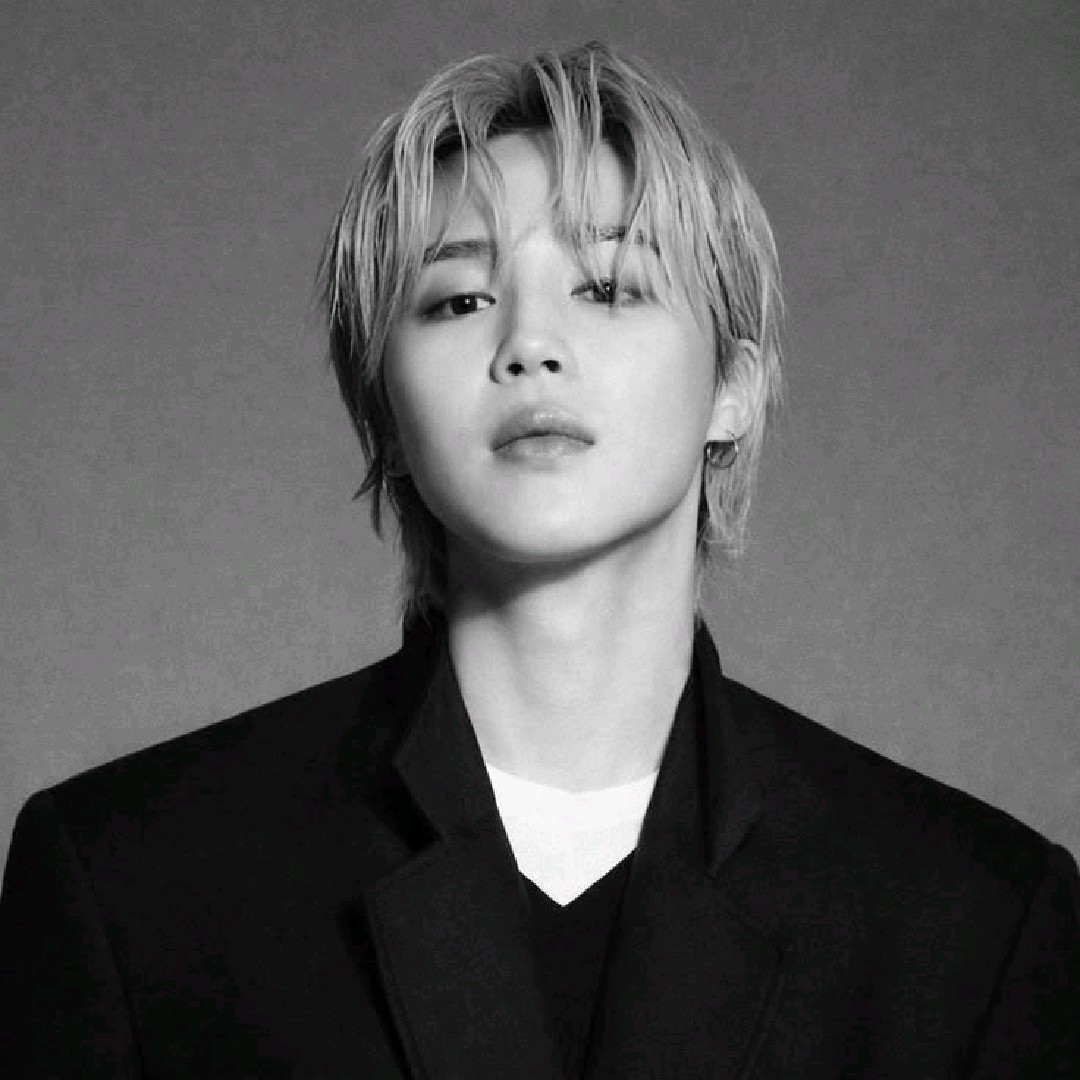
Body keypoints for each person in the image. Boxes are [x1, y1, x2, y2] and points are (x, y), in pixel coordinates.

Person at [2, 41, 1077, 1079]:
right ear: (386, 414)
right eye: (458, 300)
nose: (529, 345)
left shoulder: (975, 919)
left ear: (732, 389)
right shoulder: (131, 880)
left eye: (607, 287)